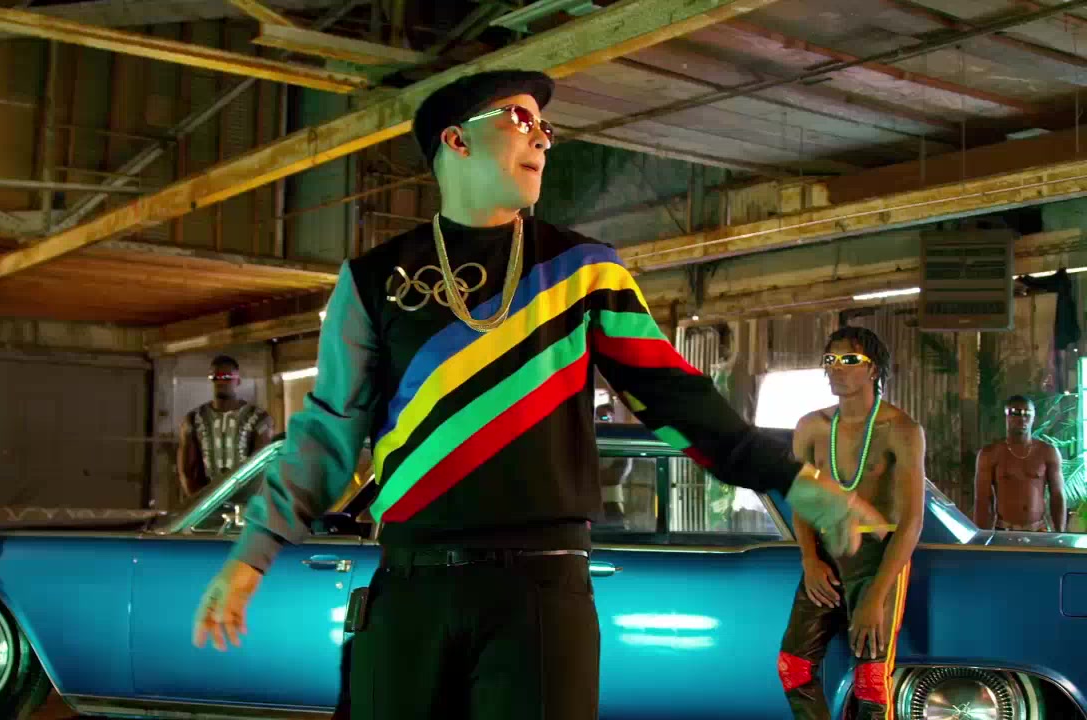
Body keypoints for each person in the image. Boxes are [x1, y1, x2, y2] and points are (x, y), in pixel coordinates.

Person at [192, 69, 882, 720]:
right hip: (410, 588)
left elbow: (675, 397)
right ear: (456, 140)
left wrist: (794, 480)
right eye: (521, 119)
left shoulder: (585, 271)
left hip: (543, 594)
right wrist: (253, 552)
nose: (543, 139)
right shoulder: (375, 280)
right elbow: (329, 431)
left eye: (546, 127)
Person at [778, 326, 925, 720]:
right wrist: (810, 559)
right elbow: (802, 500)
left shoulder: (901, 429)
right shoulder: (811, 426)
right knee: (793, 667)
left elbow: (912, 521)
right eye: (830, 360)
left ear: (873, 369)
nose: (836, 368)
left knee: (871, 683)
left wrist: (876, 596)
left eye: (849, 360)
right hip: (825, 554)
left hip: (878, 559)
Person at [177, 355, 274, 498]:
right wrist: (201, 504)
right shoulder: (193, 419)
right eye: (216, 377)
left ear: (238, 380)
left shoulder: (259, 418)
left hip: (247, 500)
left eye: (227, 377)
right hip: (207, 501)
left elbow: (261, 466)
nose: (221, 381)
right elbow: (187, 472)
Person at [973, 395, 1065, 532]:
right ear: (1006, 416)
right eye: (1015, 413)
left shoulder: (1047, 452)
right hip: (1004, 530)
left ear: (1033, 417)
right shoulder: (990, 454)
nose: (1022, 419)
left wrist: (1060, 534)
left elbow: (1057, 496)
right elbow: (982, 500)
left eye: (1027, 414)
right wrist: (981, 538)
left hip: (1038, 531)